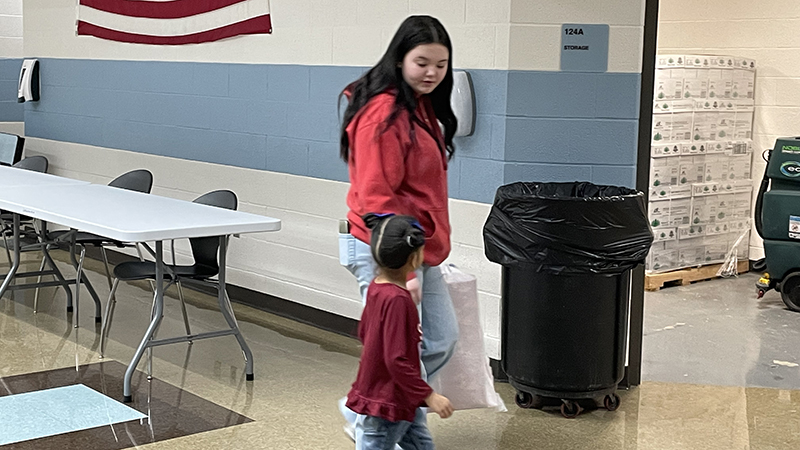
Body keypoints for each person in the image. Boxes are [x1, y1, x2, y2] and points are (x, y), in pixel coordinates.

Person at [337, 15, 459, 440]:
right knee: (400, 348)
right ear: (400, 57)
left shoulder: (418, 105)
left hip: (417, 250)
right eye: (422, 62)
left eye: (441, 65)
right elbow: (376, 197)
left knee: (439, 340)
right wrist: (403, 273)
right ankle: (371, 420)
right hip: (385, 250)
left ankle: (374, 413)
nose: (431, 73)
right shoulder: (382, 113)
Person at [347, 214, 454, 450]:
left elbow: (365, 332)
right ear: (414, 258)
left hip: (400, 396)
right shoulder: (398, 300)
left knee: (420, 443)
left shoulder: (377, 288)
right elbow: (396, 359)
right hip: (389, 401)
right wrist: (429, 396)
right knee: (378, 443)